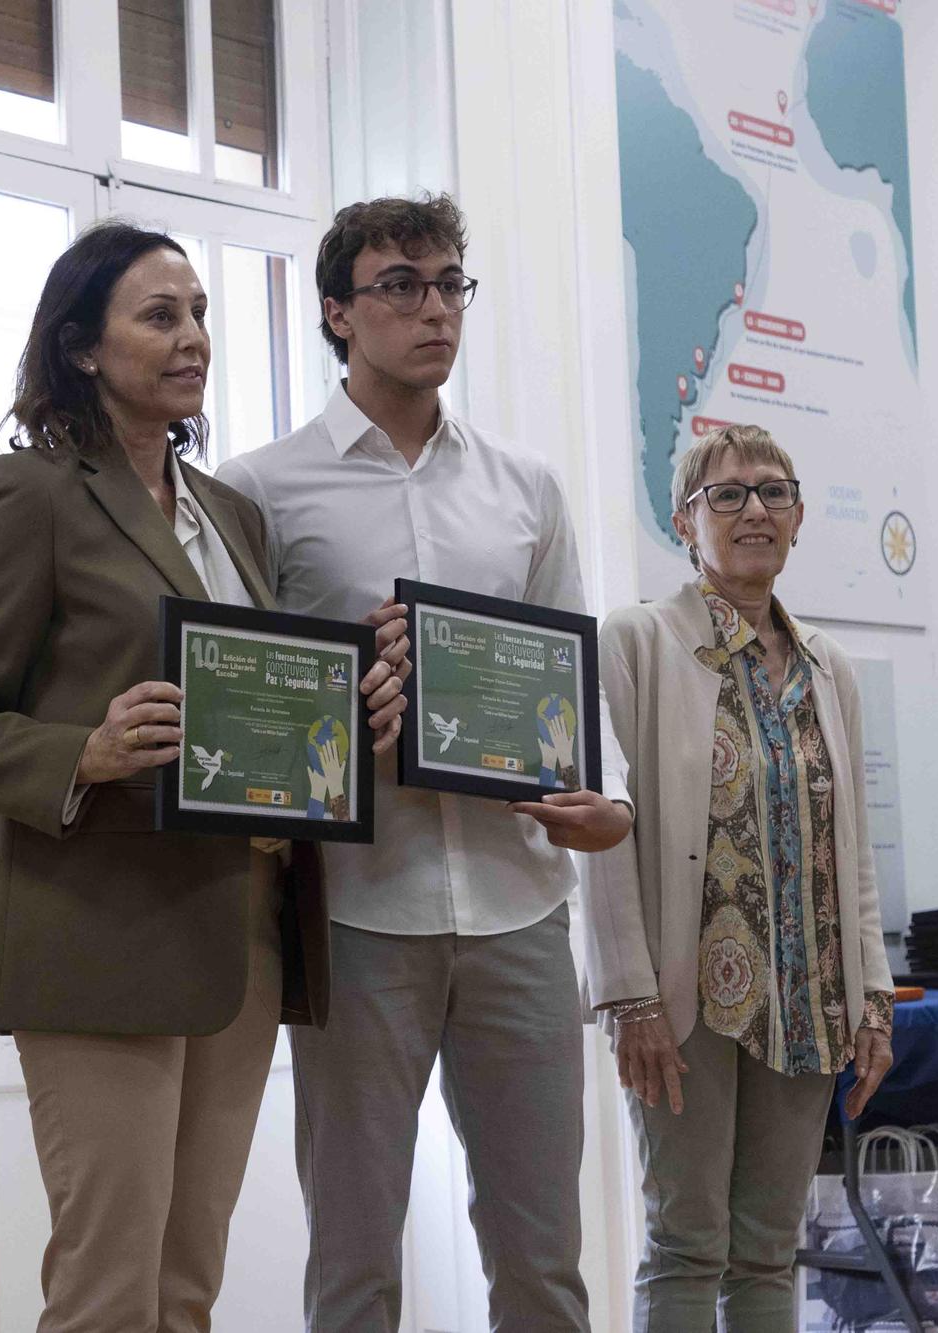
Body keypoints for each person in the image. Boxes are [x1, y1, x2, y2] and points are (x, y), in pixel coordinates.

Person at [0, 221, 409, 1333]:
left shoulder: (229, 512)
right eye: (158, 315)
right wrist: (78, 750)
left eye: (199, 315)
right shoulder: (30, 494)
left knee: (185, 1289)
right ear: (81, 348)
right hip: (100, 939)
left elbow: (257, 715)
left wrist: (347, 729)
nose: (192, 338)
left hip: (242, 937)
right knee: (106, 1291)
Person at [215, 193, 632, 1333]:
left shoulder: (525, 487)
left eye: (450, 282)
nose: (433, 308)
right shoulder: (258, 490)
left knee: (542, 1258)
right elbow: (249, 707)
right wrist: (349, 711)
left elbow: (568, 683)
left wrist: (608, 805)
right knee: (353, 1265)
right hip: (354, 913)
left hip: (517, 908)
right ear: (338, 313)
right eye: (400, 284)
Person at [584, 424, 894, 1331]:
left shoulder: (828, 666)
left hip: (805, 995)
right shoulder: (635, 641)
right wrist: (628, 995)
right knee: (686, 1242)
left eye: (773, 492)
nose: (754, 509)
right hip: (685, 999)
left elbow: (853, 847)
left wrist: (870, 996)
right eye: (728, 494)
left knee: (768, 1247)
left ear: (798, 518)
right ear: (687, 523)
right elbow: (601, 832)